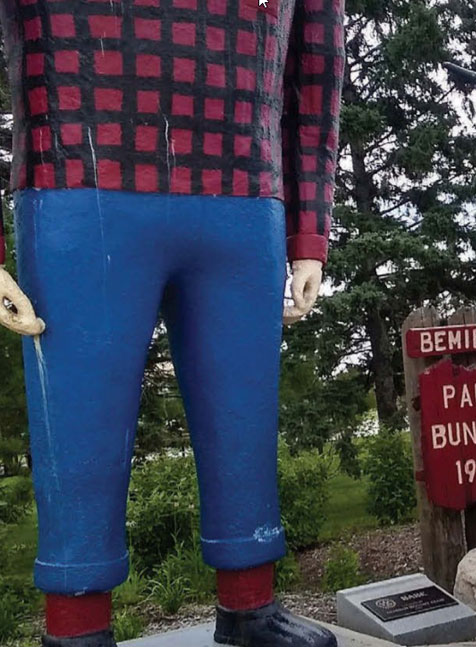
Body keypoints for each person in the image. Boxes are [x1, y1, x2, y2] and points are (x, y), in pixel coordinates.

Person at [0, 2, 344, 646]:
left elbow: (317, 75)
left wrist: (307, 235)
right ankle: (76, 627)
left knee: (244, 412)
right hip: (77, 182)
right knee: (78, 423)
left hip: (244, 194)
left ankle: (251, 605)